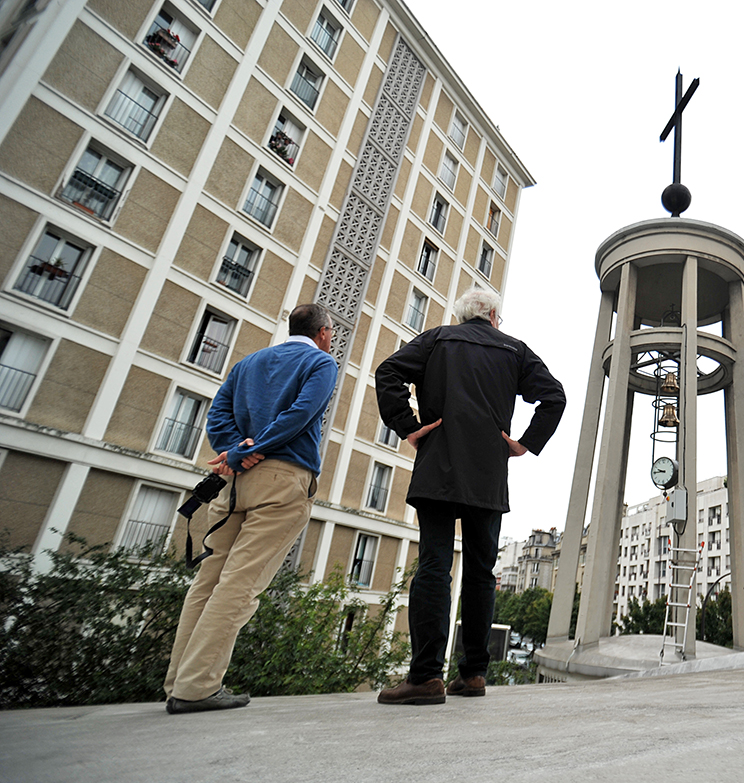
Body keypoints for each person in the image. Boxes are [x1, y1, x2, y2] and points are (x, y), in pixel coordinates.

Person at [374, 288, 565, 705]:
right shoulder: (515, 351)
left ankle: (425, 677)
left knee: (434, 566)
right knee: (482, 573)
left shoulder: (436, 339)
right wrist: (522, 444)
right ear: (494, 315)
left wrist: (408, 426)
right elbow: (554, 396)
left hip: (437, 467)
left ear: (462, 316)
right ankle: (474, 674)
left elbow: (387, 372)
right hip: (487, 474)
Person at [162, 304, 337, 714]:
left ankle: (178, 682)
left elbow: (217, 414)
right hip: (282, 480)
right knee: (241, 584)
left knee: (209, 580)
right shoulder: (320, 362)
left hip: (234, 483)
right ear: (325, 333)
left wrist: (233, 450)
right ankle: (197, 688)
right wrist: (252, 450)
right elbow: (300, 416)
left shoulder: (249, 363)